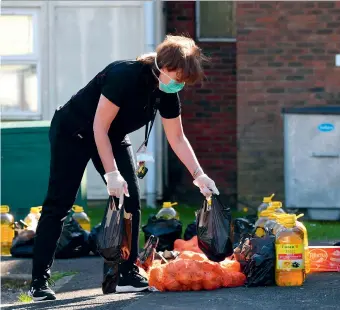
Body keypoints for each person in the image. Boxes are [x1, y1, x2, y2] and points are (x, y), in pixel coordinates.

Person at [29, 35, 220, 301]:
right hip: (73, 132)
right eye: (179, 77)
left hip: (112, 135)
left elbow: (177, 137)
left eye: (185, 82)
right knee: (59, 204)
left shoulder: (167, 92)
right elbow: (99, 127)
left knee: (131, 199)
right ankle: (39, 281)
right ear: (164, 67)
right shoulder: (124, 75)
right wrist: (111, 174)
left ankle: (126, 274)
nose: (180, 85)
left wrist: (199, 175)